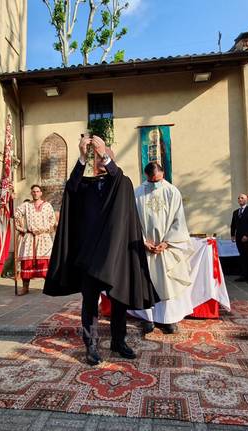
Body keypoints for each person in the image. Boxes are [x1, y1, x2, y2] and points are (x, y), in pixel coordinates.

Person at [43, 134, 157, 366]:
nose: (101, 162)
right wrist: (83, 157)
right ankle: (91, 345)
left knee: (120, 301)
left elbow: (117, 176)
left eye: (105, 159)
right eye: (99, 160)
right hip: (89, 257)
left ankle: (118, 341)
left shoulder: (122, 183)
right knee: (89, 302)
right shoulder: (85, 187)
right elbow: (71, 188)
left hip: (116, 257)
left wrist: (104, 153)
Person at [134, 162, 193, 334]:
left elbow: (178, 220)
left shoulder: (172, 191)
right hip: (145, 247)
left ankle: (168, 319)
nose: (155, 184)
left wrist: (167, 242)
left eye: (158, 180)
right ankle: (147, 318)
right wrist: (143, 240)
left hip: (166, 247)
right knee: (146, 283)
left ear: (162, 173)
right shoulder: (137, 193)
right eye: (151, 181)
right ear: (146, 177)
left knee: (167, 283)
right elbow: (133, 221)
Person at [14, 185, 56, 296]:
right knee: (27, 261)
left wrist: (45, 229)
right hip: (30, 237)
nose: (35, 193)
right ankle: (25, 288)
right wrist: (23, 229)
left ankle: (49, 287)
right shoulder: (26, 205)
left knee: (45, 262)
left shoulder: (47, 206)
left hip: (43, 237)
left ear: (41, 193)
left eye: (37, 191)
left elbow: (53, 220)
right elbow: (16, 215)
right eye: (33, 192)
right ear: (31, 193)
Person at [230, 194, 248, 283]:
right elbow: (233, 225)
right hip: (239, 238)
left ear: (246, 200)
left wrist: (247, 235)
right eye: (238, 198)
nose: (240, 199)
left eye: (242, 198)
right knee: (242, 257)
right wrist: (232, 235)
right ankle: (244, 275)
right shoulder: (235, 212)